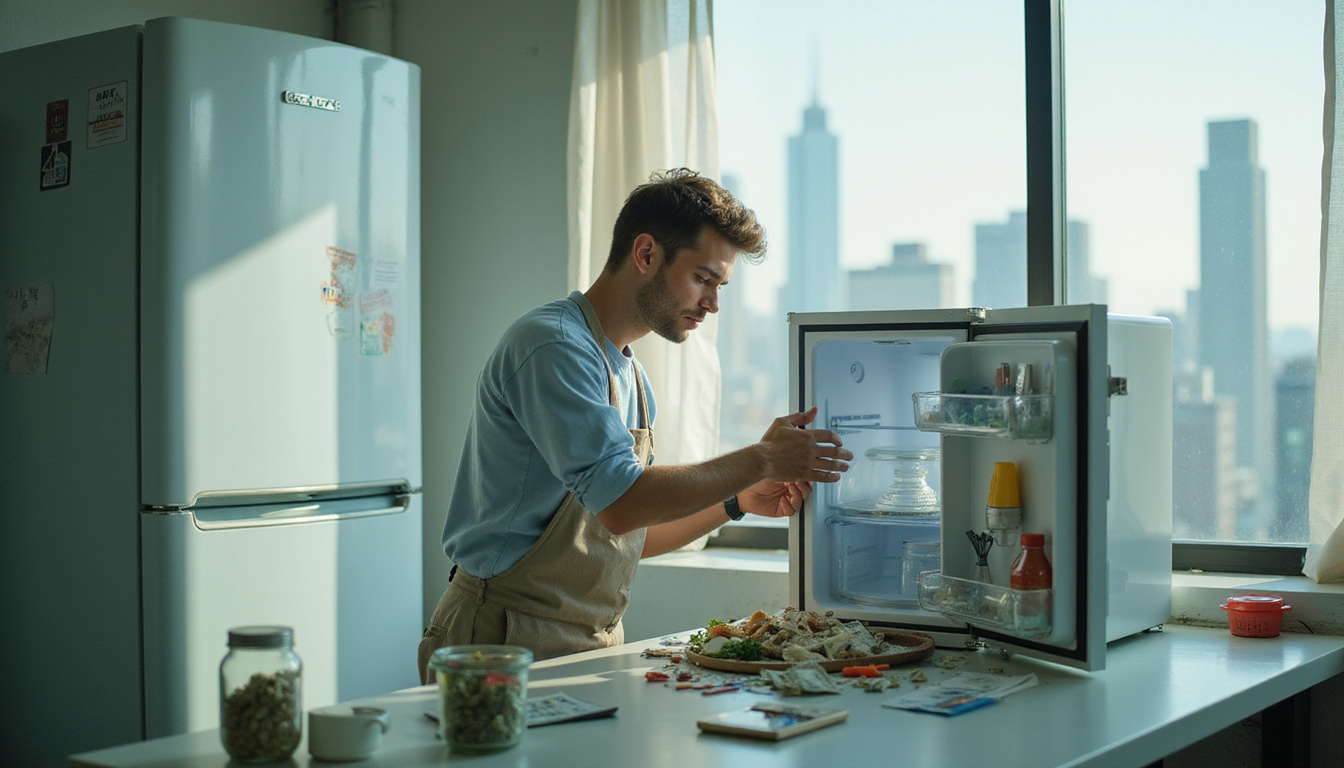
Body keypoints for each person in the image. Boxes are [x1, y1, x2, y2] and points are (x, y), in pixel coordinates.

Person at [417, 169, 851, 681]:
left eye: (720, 286)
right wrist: (759, 458)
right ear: (646, 254)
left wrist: (739, 500)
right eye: (703, 279)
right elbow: (623, 503)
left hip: (590, 641)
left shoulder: (632, 377)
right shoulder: (553, 346)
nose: (712, 303)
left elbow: (621, 535)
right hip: (502, 638)